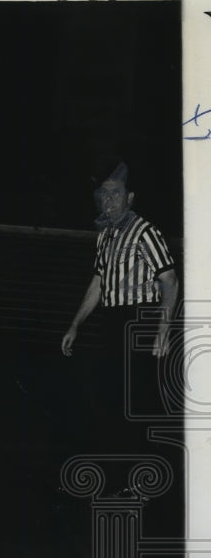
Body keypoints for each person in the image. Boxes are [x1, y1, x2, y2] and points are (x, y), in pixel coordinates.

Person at [61, 162, 179, 444]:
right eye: (104, 193)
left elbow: (170, 281)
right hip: (112, 321)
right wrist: (75, 325)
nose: (108, 199)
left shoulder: (145, 232)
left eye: (115, 192)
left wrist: (163, 331)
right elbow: (98, 283)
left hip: (140, 319)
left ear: (130, 197)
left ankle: (140, 480)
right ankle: (121, 476)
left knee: (134, 401)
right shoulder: (105, 235)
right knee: (107, 396)